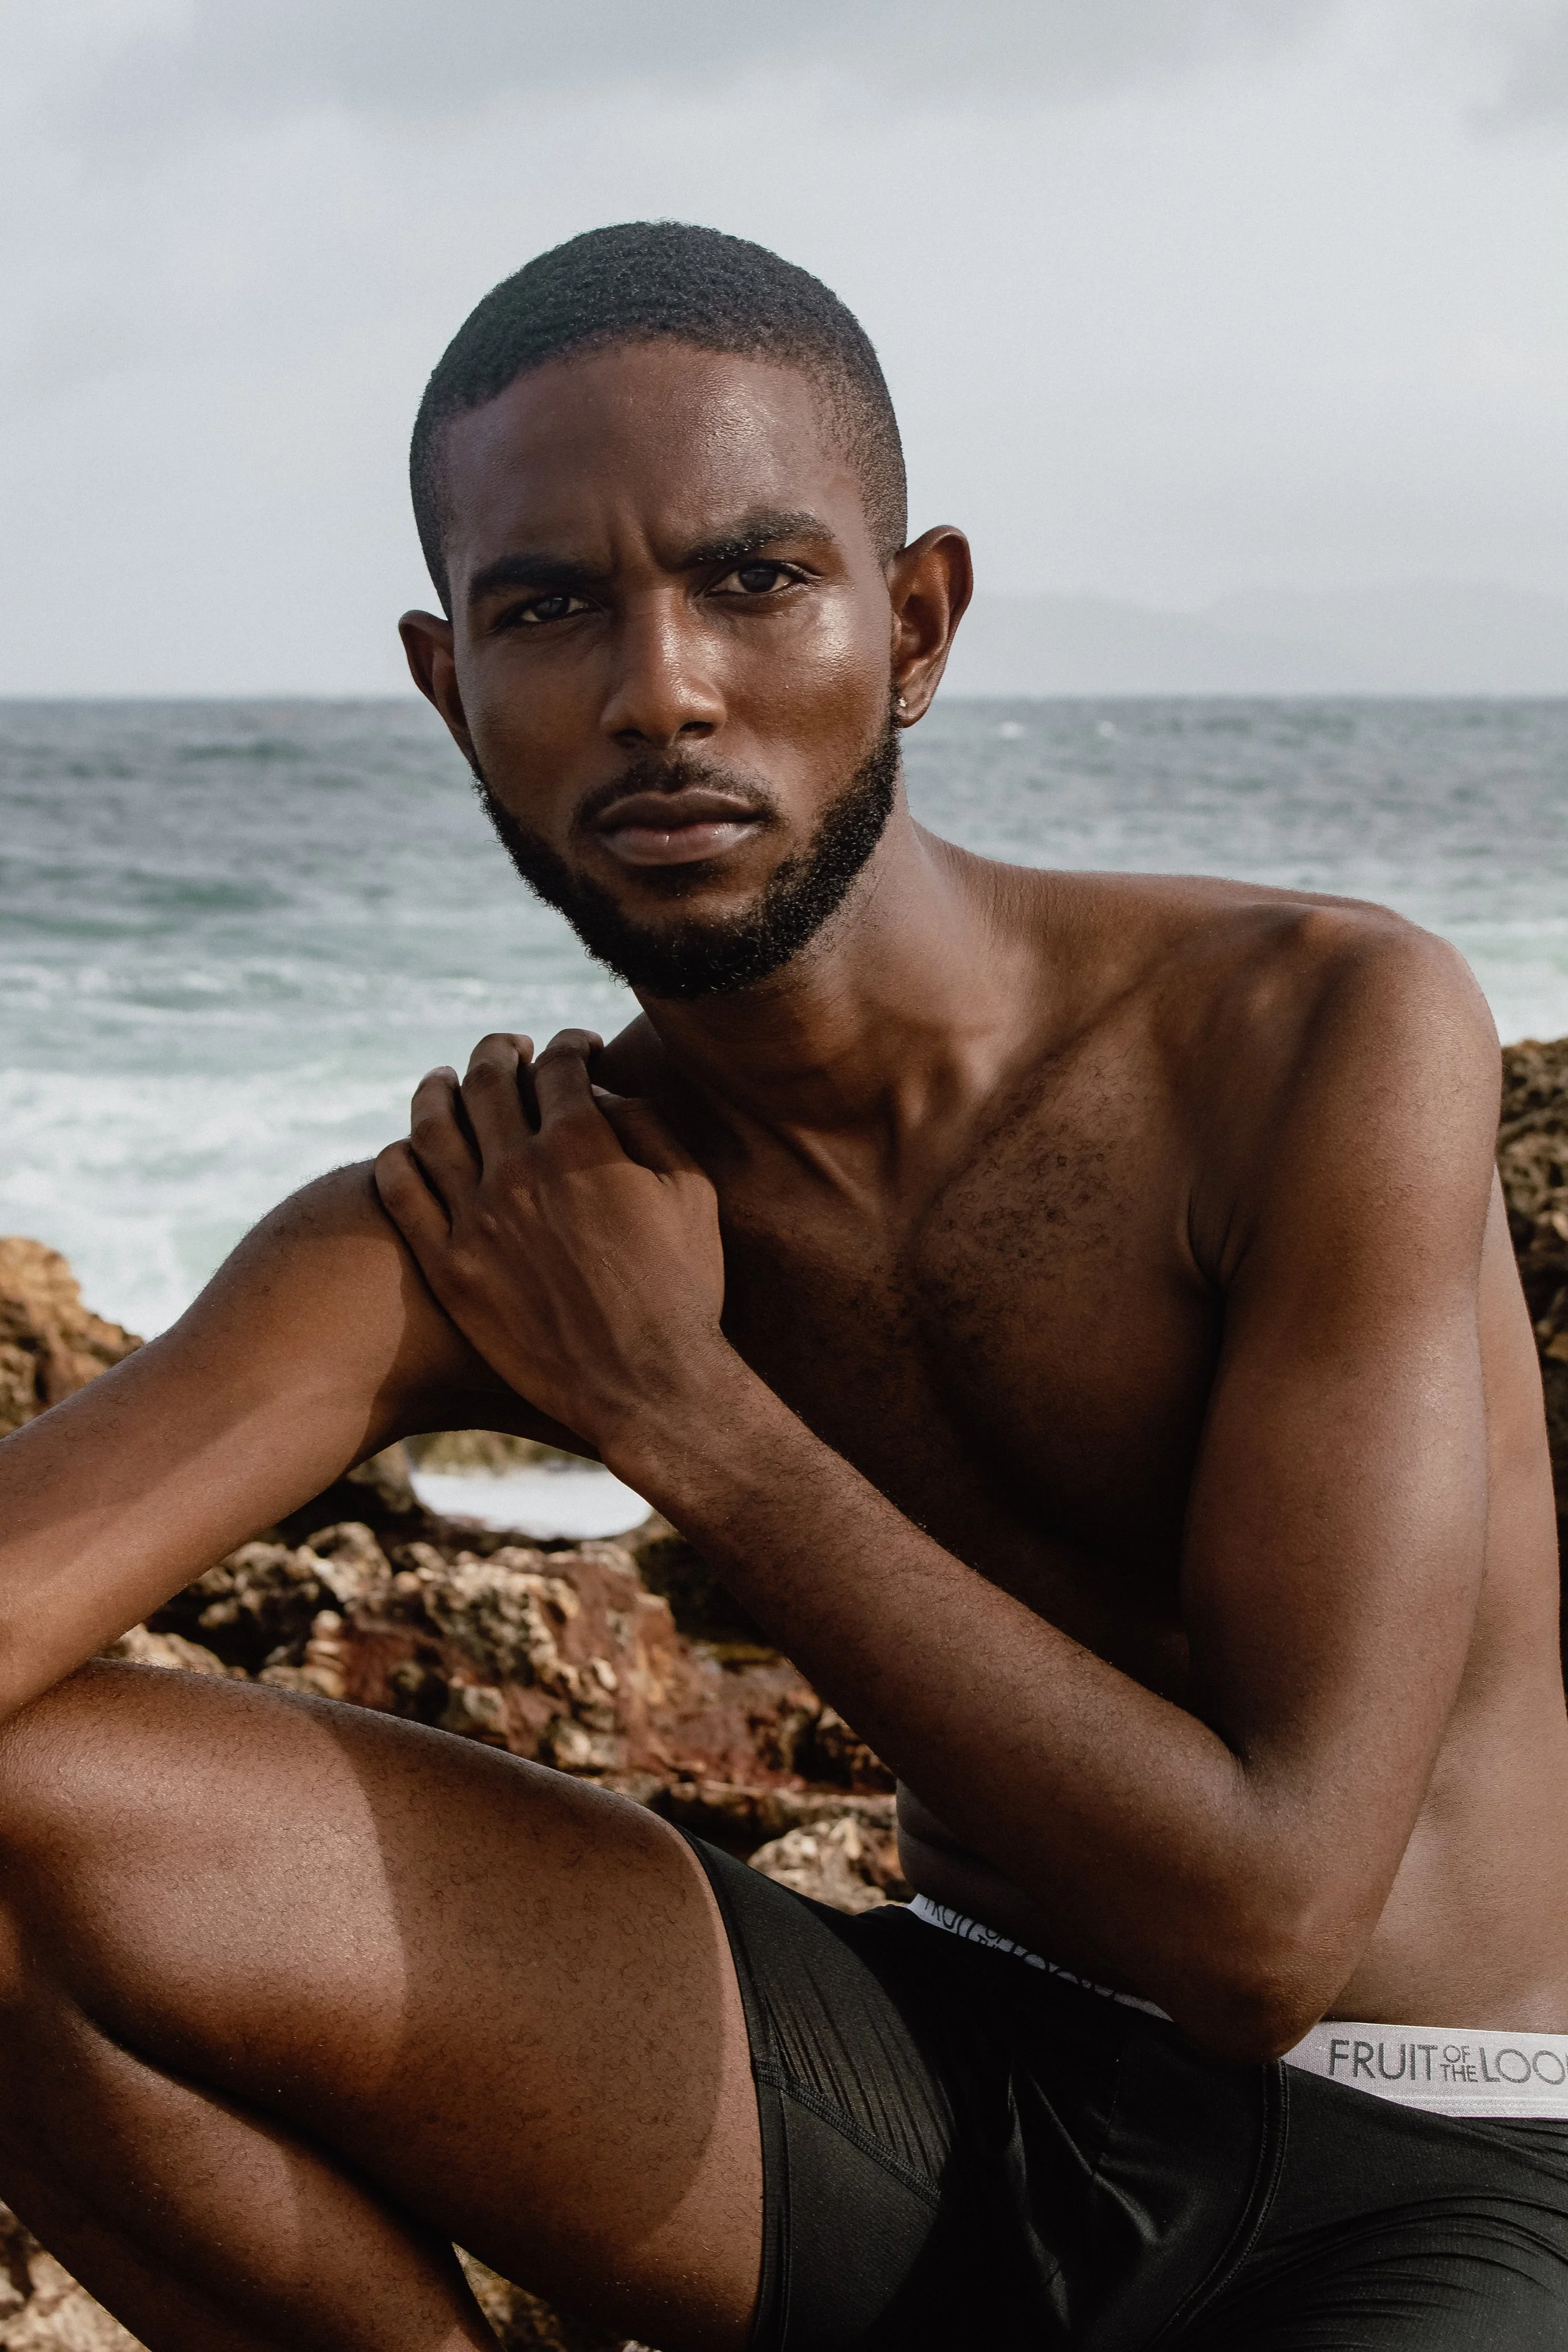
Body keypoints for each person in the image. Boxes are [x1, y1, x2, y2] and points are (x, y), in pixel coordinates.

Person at [0, 221, 1565, 2352]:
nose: (661, 690)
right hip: (923, 2097)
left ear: (911, 622)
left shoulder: (1316, 1033)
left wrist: (681, 1412)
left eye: (752, 578)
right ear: (451, 685)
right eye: (548, 608)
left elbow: (1267, 1922)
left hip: (1435, 2167)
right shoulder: (507, 1218)